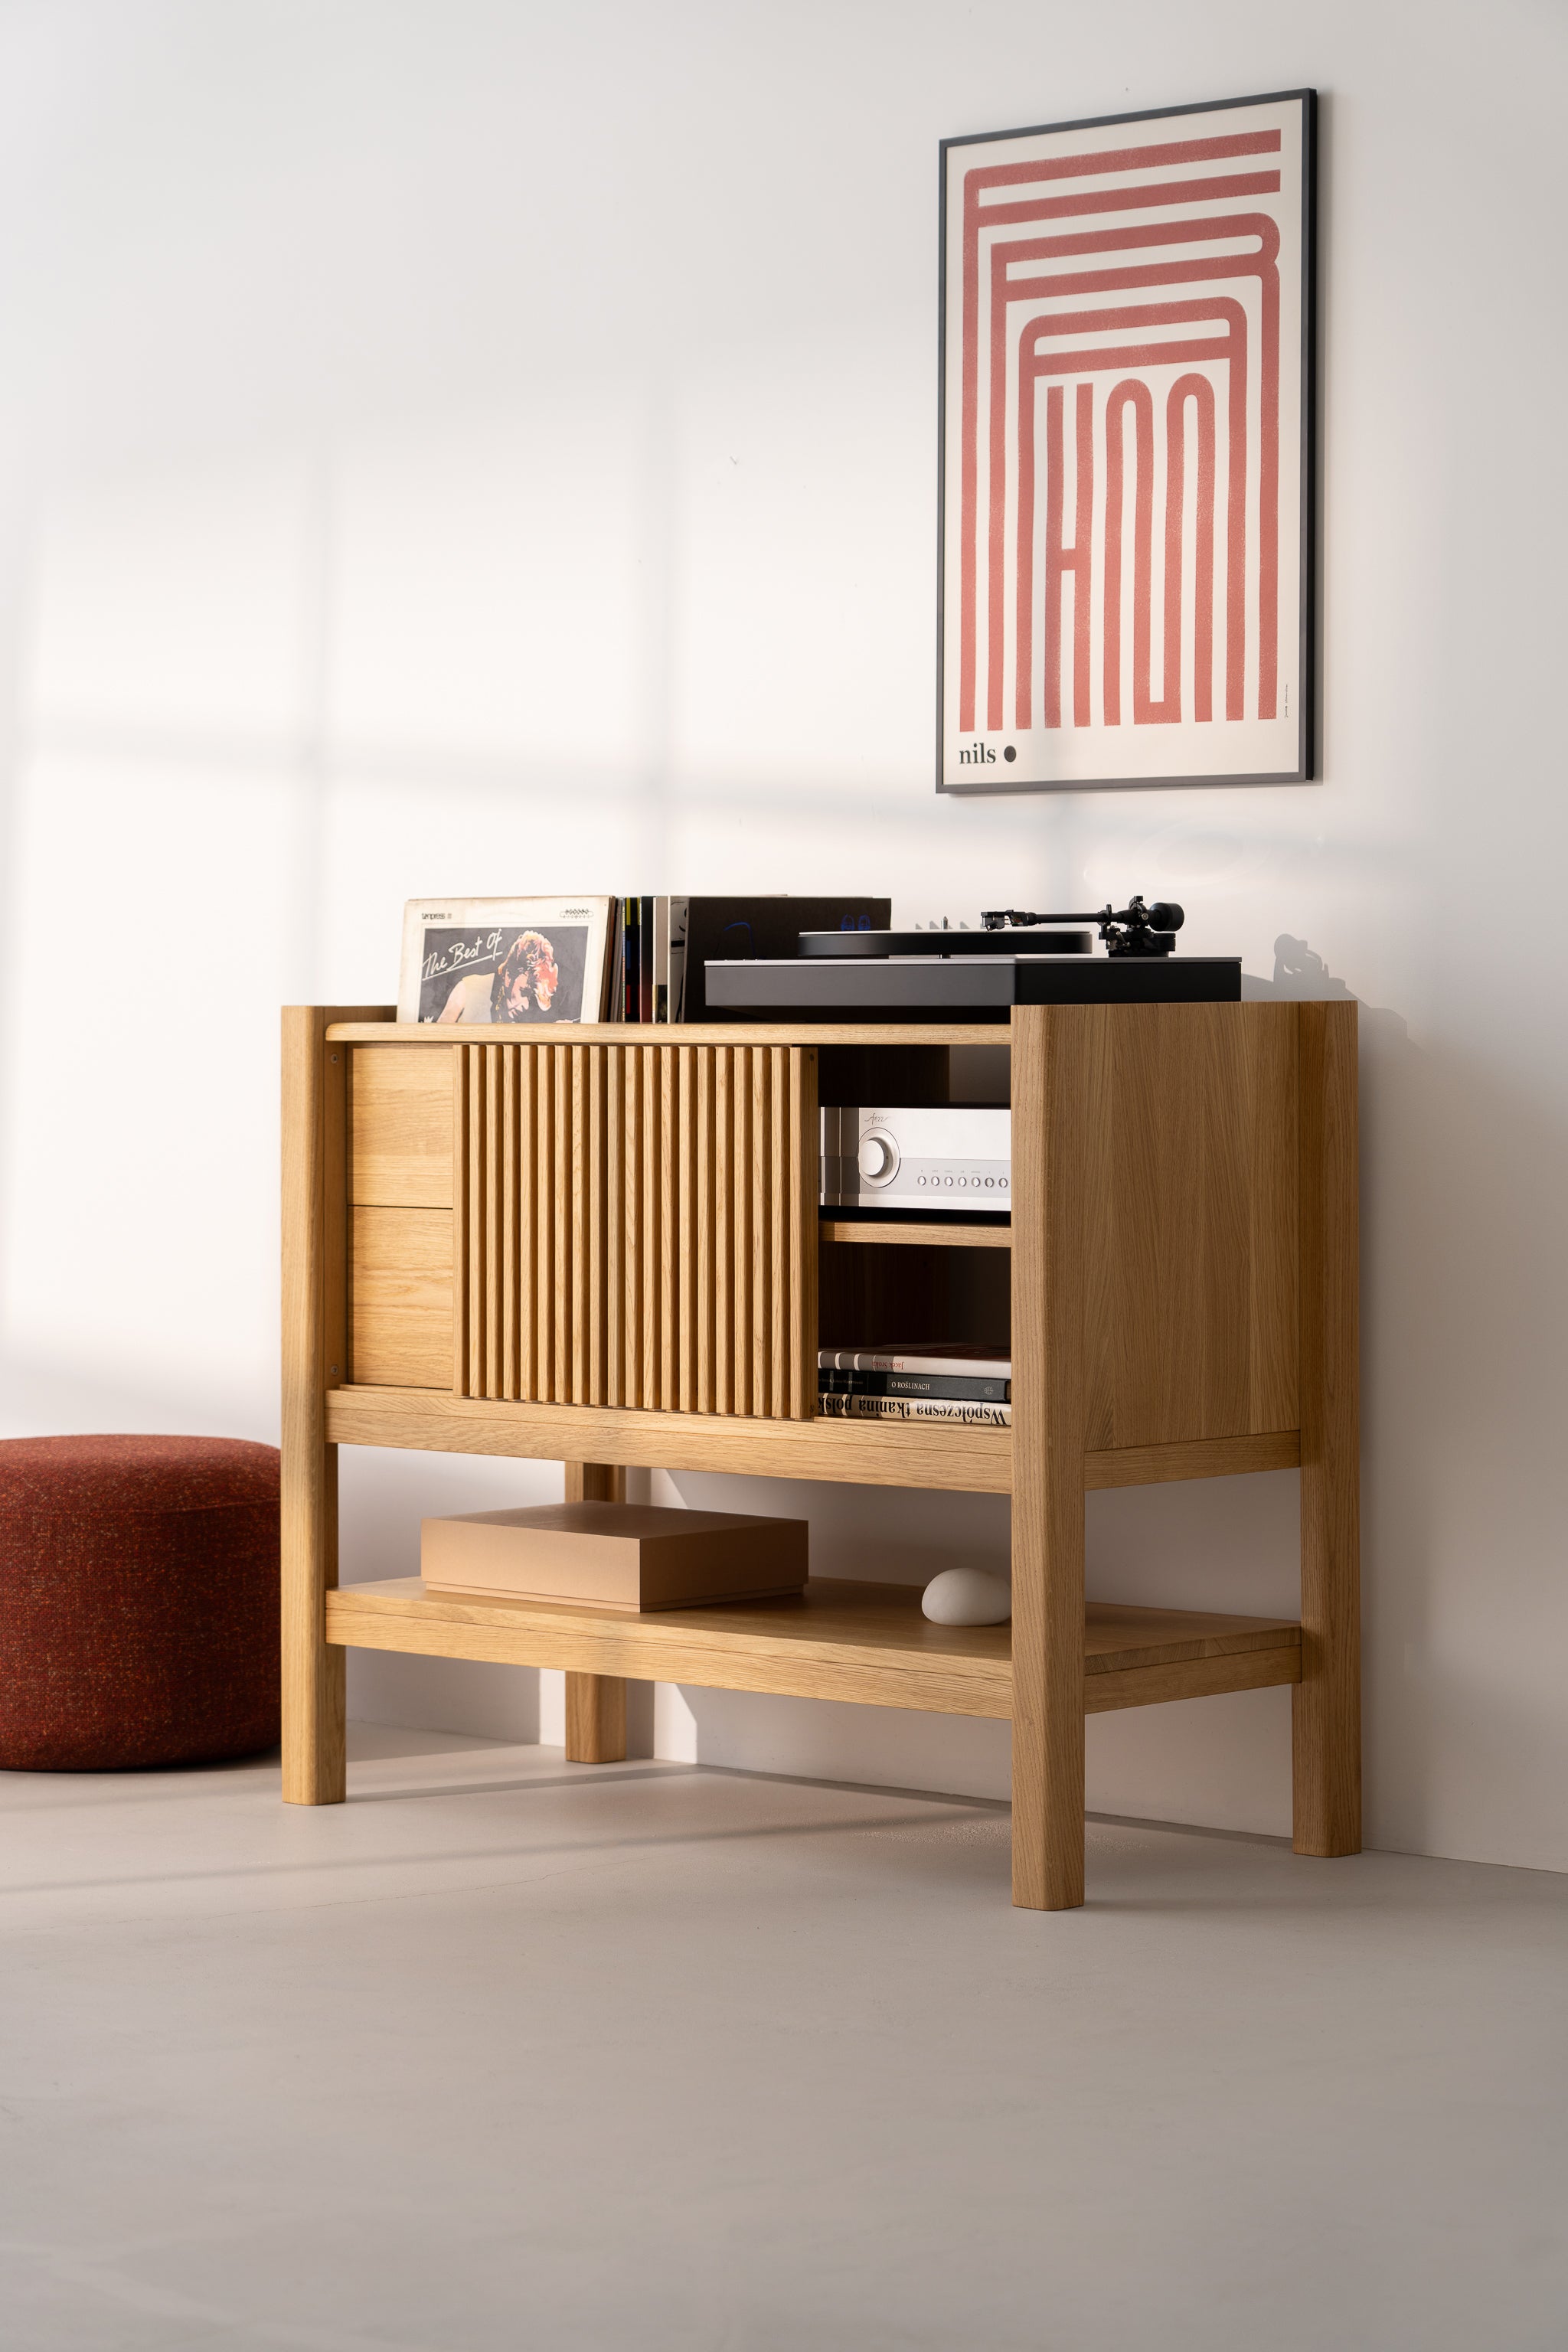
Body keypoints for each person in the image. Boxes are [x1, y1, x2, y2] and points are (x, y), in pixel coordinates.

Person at [434, 929, 560, 1023]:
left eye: (531, 997)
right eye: (524, 992)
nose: (526, 1005)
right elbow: (439, 1040)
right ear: (508, 975)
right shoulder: (467, 989)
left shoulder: (523, 1018)